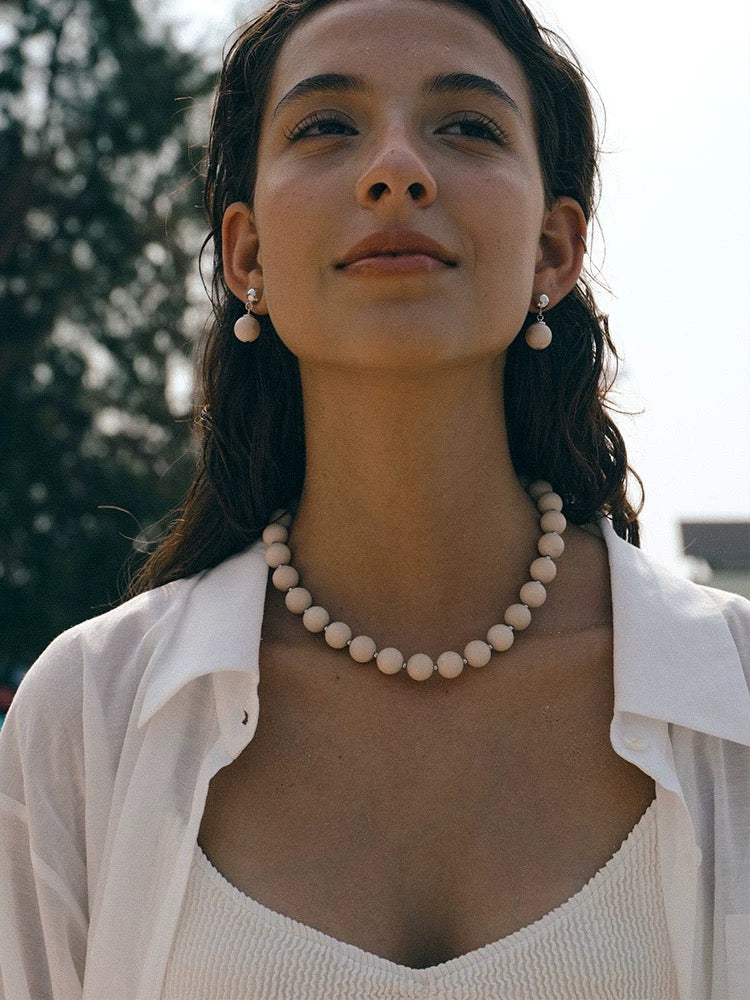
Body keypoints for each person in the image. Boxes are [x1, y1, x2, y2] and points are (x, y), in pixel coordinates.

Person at [1, 0, 749, 996]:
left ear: (554, 251)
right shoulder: (84, 720)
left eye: (468, 126)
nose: (396, 169)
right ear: (246, 254)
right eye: (326, 126)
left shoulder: (734, 704)